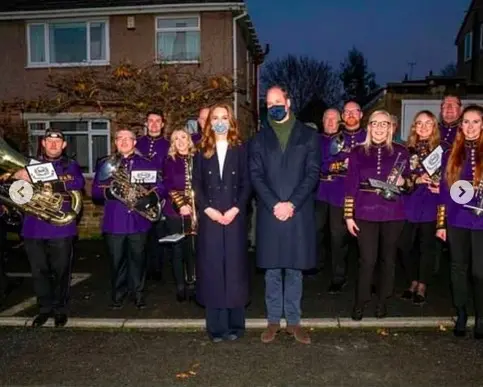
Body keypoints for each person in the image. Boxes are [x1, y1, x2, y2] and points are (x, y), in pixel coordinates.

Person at [249, 86, 320, 344]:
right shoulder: (259, 139)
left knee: (294, 269)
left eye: (277, 102)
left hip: (297, 212)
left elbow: (312, 174)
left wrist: (291, 204)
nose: (273, 106)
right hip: (270, 213)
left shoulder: (309, 136)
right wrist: (274, 203)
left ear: (288, 102)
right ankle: (272, 321)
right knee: (271, 270)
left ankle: (293, 322)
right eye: (269, 103)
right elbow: (255, 175)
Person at [343, 110, 413, 320]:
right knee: (367, 260)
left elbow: (411, 183)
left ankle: (383, 301)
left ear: (391, 128)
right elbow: (350, 185)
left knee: (388, 260)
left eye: (384, 124)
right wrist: (348, 216)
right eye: (375, 123)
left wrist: (405, 183)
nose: (379, 128)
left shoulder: (402, 151)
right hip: (365, 211)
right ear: (369, 127)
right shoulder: (356, 152)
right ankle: (360, 301)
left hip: (394, 213)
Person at [14, 128, 85, 327]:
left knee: (61, 271)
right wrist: (17, 177)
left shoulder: (70, 165)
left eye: (57, 142)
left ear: (63, 145)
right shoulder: (28, 164)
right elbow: (17, 194)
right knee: (39, 271)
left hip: (61, 227)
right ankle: (44, 309)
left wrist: (45, 181)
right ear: (43, 143)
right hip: (33, 227)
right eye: (49, 141)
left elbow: (77, 182)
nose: (53, 145)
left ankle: (60, 309)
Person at [192, 103, 251, 342]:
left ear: (231, 121)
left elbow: (248, 183)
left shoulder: (241, 149)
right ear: (209, 123)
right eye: (215, 117)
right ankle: (216, 328)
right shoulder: (201, 150)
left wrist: (237, 208)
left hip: (234, 217)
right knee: (213, 269)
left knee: (235, 270)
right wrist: (208, 209)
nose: (219, 121)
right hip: (211, 218)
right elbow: (196, 184)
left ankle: (236, 325)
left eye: (224, 117)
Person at [92, 128, 165, 309]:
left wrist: (151, 198)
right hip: (114, 221)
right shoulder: (105, 164)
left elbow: (161, 186)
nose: (124, 141)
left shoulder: (146, 163)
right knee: (117, 262)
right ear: (115, 142)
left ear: (134, 142)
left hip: (139, 221)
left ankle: (138, 295)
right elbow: (95, 192)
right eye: (120, 138)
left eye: (128, 138)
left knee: (139, 261)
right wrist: (111, 191)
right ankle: (118, 295)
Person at [436, 104, 483, 339]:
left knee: (480, 272)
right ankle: (462, 312)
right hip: (457, 219)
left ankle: (481, 316)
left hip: (482, 221)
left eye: (476, 121)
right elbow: (445, 191)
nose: (470, 126)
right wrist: (441, 224)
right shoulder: (451, 153)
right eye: (466, 122)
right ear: (461, 125)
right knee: (458, 268)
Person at [400, 111, 448, 304]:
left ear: (434, 126)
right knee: (404, 245)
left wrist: (442, 187)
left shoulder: (444, 149)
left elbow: (451, 176)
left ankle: (422, 285)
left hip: (431, 201)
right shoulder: (406, 150)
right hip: (409, 201)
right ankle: (412, 279)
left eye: (428, 123)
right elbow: (399, 177)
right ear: (414, 127)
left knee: (426, 247)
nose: (423, 126)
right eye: (419, 123)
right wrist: (416, 179)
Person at [326, 101, 366, 293]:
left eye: (354, 111)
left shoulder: (369, 137)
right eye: (347, 111)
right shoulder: (334, 139)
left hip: (364, 197)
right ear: (342, 116)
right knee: (337, 240)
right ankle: (338, 277)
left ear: (361, 115)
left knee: (365, 242)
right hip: (338, 196)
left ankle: (368, 279)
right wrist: (342, 165)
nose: (350, 114)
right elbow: (325, 163)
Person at [162, 128, 197, 302]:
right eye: (176, 139)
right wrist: (181, 205)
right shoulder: (169, 160)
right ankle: (180, 286)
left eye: (184, 137)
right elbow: (167, 185)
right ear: (173, 143)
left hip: (196, 210)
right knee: (177, 248)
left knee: (193, 247)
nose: (181, 141)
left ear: (189, 140)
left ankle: (193, 282)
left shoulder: (198, 158)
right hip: (174, 210)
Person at [136, 111, 169, 282]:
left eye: (158, 121)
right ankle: (141, 268)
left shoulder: (168, 145)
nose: (154, 124)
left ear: (163, 124)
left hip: (159, 193)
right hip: (138, 193)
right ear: (146, 124)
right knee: (140, 234)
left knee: (158, 233)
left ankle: (157, 269)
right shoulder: (137, 143)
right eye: (151, 121)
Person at [316, 108, 340, 269]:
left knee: (337, 235)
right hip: (318, 191)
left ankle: (338, 274)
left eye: (334, 119)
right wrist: (330, 166)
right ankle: (317, 264)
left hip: (339, 192)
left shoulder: (346, 140)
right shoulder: (314, 140)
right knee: (316, 231)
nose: (330, 122)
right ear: (322, 122)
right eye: (327, 119)